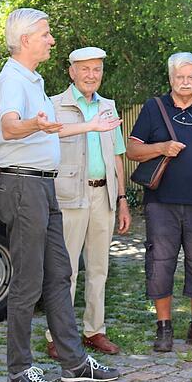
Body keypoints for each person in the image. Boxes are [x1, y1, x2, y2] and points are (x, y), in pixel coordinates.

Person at [0, 8, 119, 382]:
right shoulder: (11, 79)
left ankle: (74, 362)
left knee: (60, 274)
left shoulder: (33, 79)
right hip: (22, 186)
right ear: (26, 39)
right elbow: (11, 126)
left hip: (43, 187)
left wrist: (92, 126)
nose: (51, 40)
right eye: (46, 34)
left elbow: (53, 128)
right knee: (28, 282)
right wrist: (36, 125)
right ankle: (19, 370)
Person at [127, 52, 192, 352]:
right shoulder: (153, 108)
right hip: (162, 201)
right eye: (180, 77)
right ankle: (164, 328)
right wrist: (161, 147)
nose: (186, 82)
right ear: (171, 78)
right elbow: (132, 150)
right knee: (160, 264)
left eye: (191, 77)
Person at [44, 46, 132, 359]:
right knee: (65, 269)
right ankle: (58, 335)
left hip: (104, 195)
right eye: (85, 69)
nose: (91, 75)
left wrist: (122, 198)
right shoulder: (55, 105)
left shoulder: (108, 106)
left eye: (96, 69)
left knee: (99, 268)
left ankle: (94, 330)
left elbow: (118, 155)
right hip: (69, 196)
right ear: (72, 72)